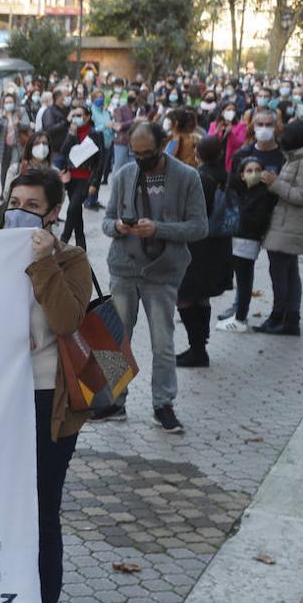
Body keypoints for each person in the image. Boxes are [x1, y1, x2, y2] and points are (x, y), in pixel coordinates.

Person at [0, 167, 91, 603]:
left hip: (45, 401)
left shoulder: (70, 259)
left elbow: (66, 319)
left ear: (54, 213)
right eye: (15, 201)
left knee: (41, 507)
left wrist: (43, 263)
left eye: (32, 206)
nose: (20, 211)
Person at [96, 121, 208, 432]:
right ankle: (113, 401)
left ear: (163, 145)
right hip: (124, 268)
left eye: (147, 153)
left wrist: (159, 228)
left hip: (163, 272)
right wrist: (118, 227)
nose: (140, 159)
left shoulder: (187, 177)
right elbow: (106, 221)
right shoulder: (124, 175)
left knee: (163, 342)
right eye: (135, 152)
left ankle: (163, 404)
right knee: (115, 338)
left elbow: (200, 227)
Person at [172, 136, 234, 367]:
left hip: (197, 246)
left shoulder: (199, 178)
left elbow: (188, 212)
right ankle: (200, 345)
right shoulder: (226, 176)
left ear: (197, 154)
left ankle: (197, 349)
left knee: (186, 296)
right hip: (220, 244)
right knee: (202, 295)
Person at [255, 118, 303, 336]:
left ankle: (280, 316)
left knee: (280, 272)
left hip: (289, 225)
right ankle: (289, 318)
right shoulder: (296, 158)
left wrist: (274, 183)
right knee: (288, 272)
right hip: (284, 223)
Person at [217, 157, 277, 332]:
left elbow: (256, 221)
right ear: (242, 175)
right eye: (249, 171)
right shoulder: (243, 192)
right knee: (243, 280)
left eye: (257, 170)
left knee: (244, 282)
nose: (254, 174)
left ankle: (240, 318)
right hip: (238, 241)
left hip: (247, 243)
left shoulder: (263, 194)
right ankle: (239, 316)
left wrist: (240, 213)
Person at [59, 103, 105, 249]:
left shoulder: (95, 134)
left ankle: (63, 241)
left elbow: (99, 162)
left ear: (87, 117)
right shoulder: (72, 132)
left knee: (72, 209)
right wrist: (71, 134)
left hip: (85, 179)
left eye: (79, 115)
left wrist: (94, 183)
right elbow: (64, 151)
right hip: (71, 179)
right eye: (74, 116)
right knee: (76, 213)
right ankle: (81, 245)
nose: (76, 119)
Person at [0, 92, 32, 191]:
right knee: (4, 170)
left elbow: (27, 125)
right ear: (3, 103)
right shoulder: (1, 113)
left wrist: (19, 123)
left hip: (17, 146)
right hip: (4, 146)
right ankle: (3, 191)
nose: (8, 104)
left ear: (14, 102)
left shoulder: (20, 111)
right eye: (6, 102)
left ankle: (12, 190)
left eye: (11, 102)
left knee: (14, 168)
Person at [208, 100, 247, 171]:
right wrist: (216, 132)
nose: (231, 112)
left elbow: (240, 143)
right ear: (222, 112)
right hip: (216, 159)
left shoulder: (241, 125)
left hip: (231, 161)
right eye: (228, 110)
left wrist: (230, 133)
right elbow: (208, 142)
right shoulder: (214, 125)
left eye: (233, 110)